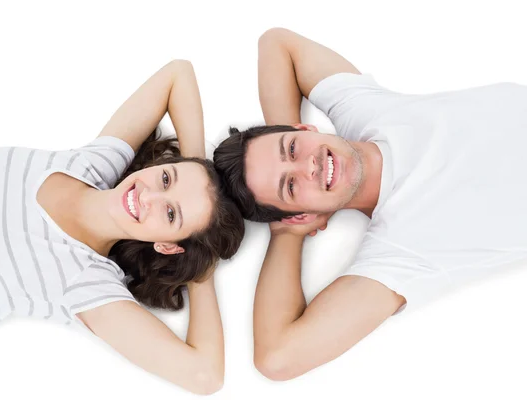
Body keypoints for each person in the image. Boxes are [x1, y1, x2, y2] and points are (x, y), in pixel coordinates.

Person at [214, 28, 527, 381]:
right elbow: (277, 358)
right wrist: (288, 232)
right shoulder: (398, 252)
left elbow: (276, 43)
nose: (309, 166)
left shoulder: (366, 112)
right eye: (290, 186)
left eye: (291, 148)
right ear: (302, 213)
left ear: (304, 129)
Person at [0, 60, 244, 395]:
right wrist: (195, 168)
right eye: (166, 178)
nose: (149, 195)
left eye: (170, 215)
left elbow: (205, 376)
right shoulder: (93, 163)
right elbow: (178, 74)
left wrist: (199, 267)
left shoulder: (86, 282)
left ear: (167, 245)